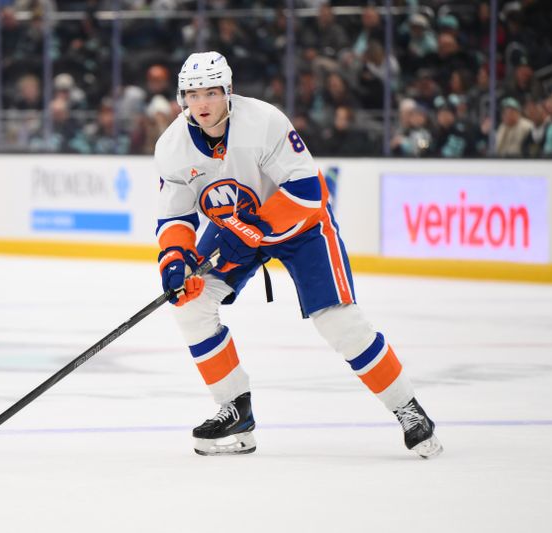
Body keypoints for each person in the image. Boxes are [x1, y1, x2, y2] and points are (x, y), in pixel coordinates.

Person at [153, 51, 442, 458]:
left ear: (229, 92)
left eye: (211, 93)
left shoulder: (264, 122)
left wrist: (256, 231)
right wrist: (175, 259)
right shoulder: (173, 147)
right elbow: (175, 217)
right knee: (191, 302)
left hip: (300, 228)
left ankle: (408, 409)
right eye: (193, 94)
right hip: (237, 229)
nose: (202, 104)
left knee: (338, 321)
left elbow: (308, 192)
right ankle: (236, 410)